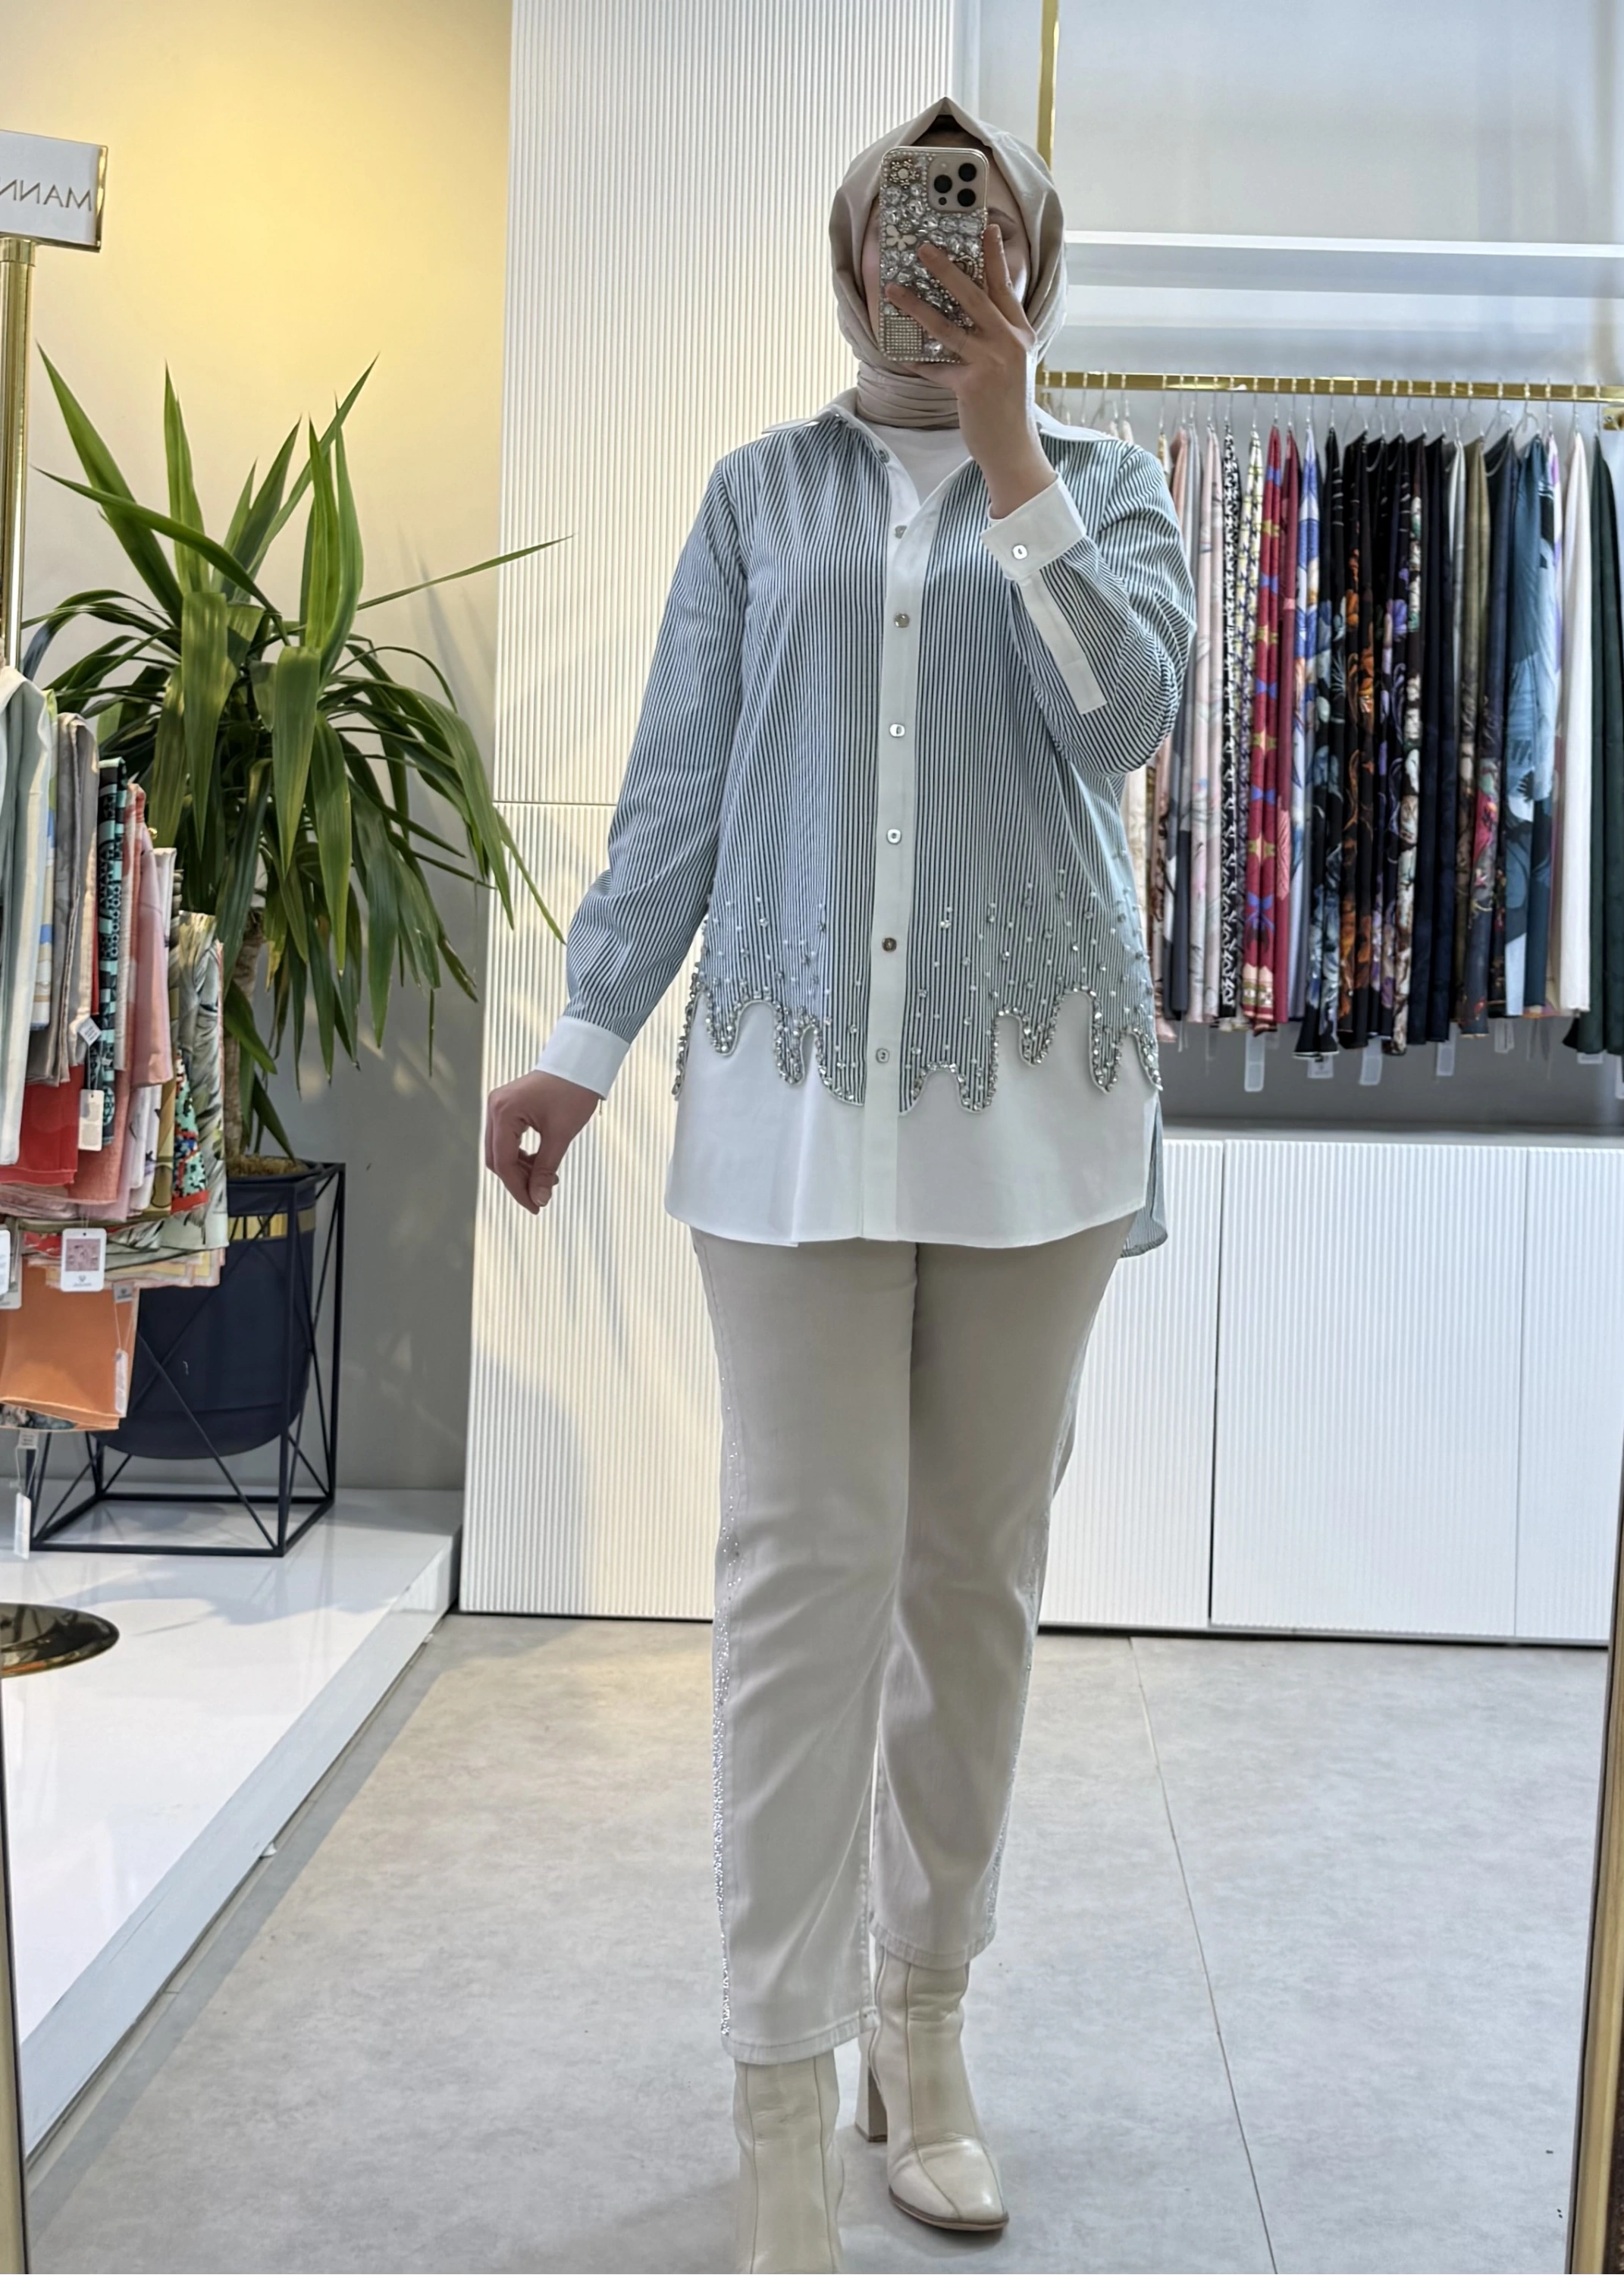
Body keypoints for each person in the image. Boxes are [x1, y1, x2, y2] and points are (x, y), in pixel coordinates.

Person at [485, 93, 1194, 2275]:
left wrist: (1005, 445)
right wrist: (582, 1044)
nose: (932, 262)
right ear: (843, 252)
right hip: (789, 1109)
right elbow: (680, 788)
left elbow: (1124, 725)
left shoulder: (1106, 486)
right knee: (804, 1587)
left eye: (974, 232)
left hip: (1035, 1120)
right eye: (903, 224)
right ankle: (779, 2093)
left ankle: (925, 2028)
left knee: (971, 1586)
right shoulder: (754, 498)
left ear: (1032, 265)